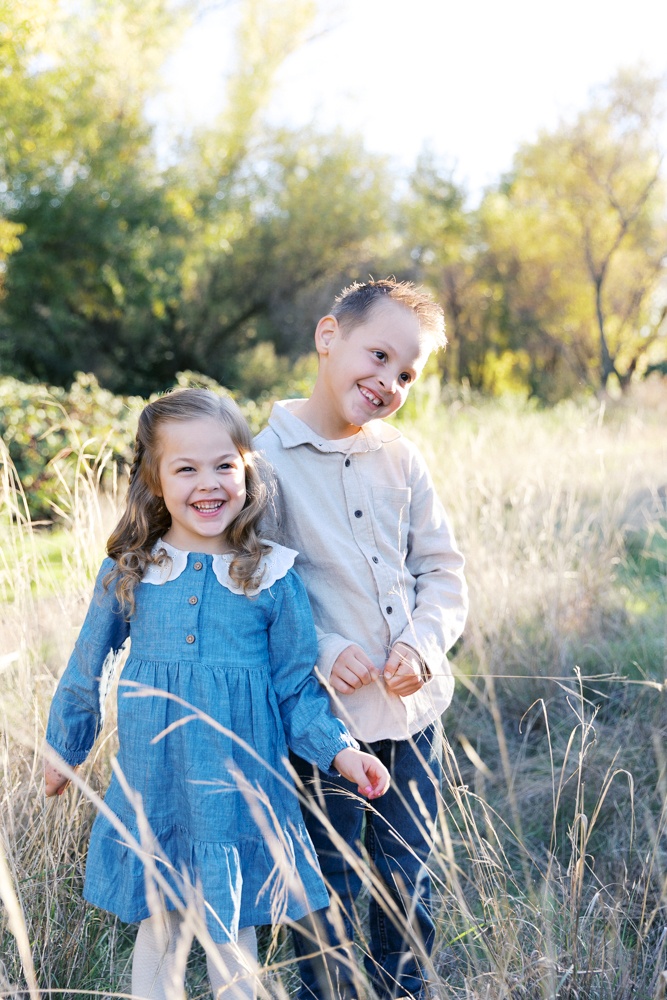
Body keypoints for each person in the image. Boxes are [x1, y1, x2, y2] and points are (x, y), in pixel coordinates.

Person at [44, 388, 390, 1000]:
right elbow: (85, 667)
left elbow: (295, 692)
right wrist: (64, 749)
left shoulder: (272, 575)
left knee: (233, 934)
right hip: (158, 784)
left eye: (224, 464)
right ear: (153, 481)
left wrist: (342, 752)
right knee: (163, 926)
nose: (209, 482)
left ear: (247, 470)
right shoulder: (132, 569)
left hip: (240, 791)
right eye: (185, 468)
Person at [255, 280, 469, 1000]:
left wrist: (420, 646)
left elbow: (439, 570)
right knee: (330, 883)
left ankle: (405, 990)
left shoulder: (400, 457)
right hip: (322, 725)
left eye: (406, 374)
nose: (387, 382)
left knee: (407, 879)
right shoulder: (260, 464)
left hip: (411, 717)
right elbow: (252, 584)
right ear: (327, 337)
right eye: (377, 356)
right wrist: (316, 646)